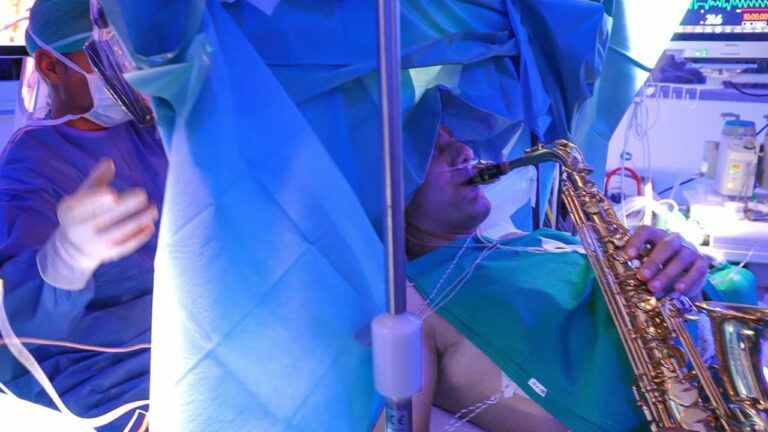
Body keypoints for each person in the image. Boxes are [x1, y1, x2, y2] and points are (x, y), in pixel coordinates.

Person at [403, 126, 711, 431]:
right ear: (387, 191)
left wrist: (682, 276)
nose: (465, 152)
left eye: (455, 138)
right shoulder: (413, 302)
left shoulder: (538, 240)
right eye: (432, 149)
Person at [0, 0, 166, 430]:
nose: (125, 71)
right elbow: (20, 328)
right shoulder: (30, 164)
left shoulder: (151, 131)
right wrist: (65, 263)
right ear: (51, 69)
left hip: (181, 332)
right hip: (102, 375)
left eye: (127, 56)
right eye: (104, 59)